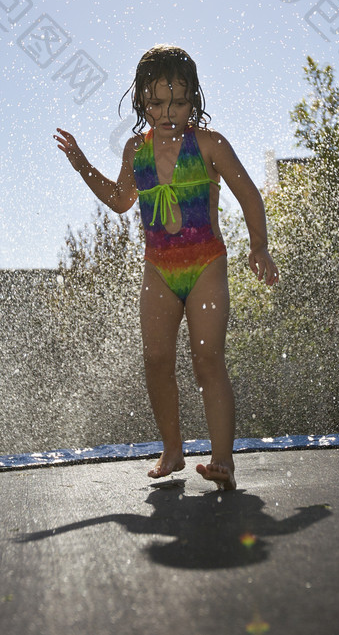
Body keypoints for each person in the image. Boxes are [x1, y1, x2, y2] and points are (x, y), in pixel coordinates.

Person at [54, 45, 278, 490]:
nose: (167, 111)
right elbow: (121, 201)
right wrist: (81, 165)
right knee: (156, 359)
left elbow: (249, 195)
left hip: (206, 265)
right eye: (156, 102)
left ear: (193, 99)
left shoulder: (210, 144)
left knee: (207, 359)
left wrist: (259, 247)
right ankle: (173, 449)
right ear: (142, 102)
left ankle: (222, 460)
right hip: (158, 268)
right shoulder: (137, 150)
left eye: (177, 101)